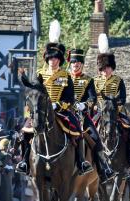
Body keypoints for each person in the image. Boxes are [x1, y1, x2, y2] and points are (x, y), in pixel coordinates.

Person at [18, 20, 92, 176]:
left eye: (56, 58)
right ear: (47, 59)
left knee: (78, 131)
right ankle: (24, 162)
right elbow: (32, 94)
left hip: (60, 111)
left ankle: (81, 162)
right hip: (40, 110)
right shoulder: (39, 74)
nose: (53, 61)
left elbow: (70, 98)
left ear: (60, 59)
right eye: (51, 58)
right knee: (23, 132)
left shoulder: (65, 76)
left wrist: (58, 105)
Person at [69, 48, 115, 181]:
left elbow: (92, 98)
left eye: (78, 62)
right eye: (73, 62)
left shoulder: (88, 80)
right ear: (70, 64)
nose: (76, 64)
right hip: (65, 112)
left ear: (82, 64)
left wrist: (84, 104)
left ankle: (103, 169)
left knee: (96, 139)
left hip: (82, 116)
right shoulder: (63, 78)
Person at [94, 33, 130, 169]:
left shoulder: (118, 80)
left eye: (108, 67)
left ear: (112, 67)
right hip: (100, 112)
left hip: (116, 112)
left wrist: (116, 108)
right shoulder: (95, 81)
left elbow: (123, 98)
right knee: (86, 130)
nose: (105, 70)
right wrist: (96, 107)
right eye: (103, 68)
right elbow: (92, 97)